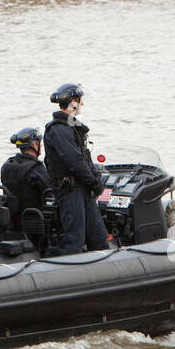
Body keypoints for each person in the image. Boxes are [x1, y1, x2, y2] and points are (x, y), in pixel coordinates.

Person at [43, 84, 109, 255]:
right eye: (80, 101)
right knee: (75, 240)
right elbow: (74, 162)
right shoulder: (58, 129)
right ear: (73, 102)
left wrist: (95, 178)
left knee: (99, 238)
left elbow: (85, 158)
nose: (83, 104)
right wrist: (94, 182)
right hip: (71, 190)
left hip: (83, 189)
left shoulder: (72, 127)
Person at [0, 127, 56, 225]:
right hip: (35, 222)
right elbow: (51, 190)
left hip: (12, 221)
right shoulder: (36, 168)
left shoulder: (7, 165)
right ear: (34, 144)